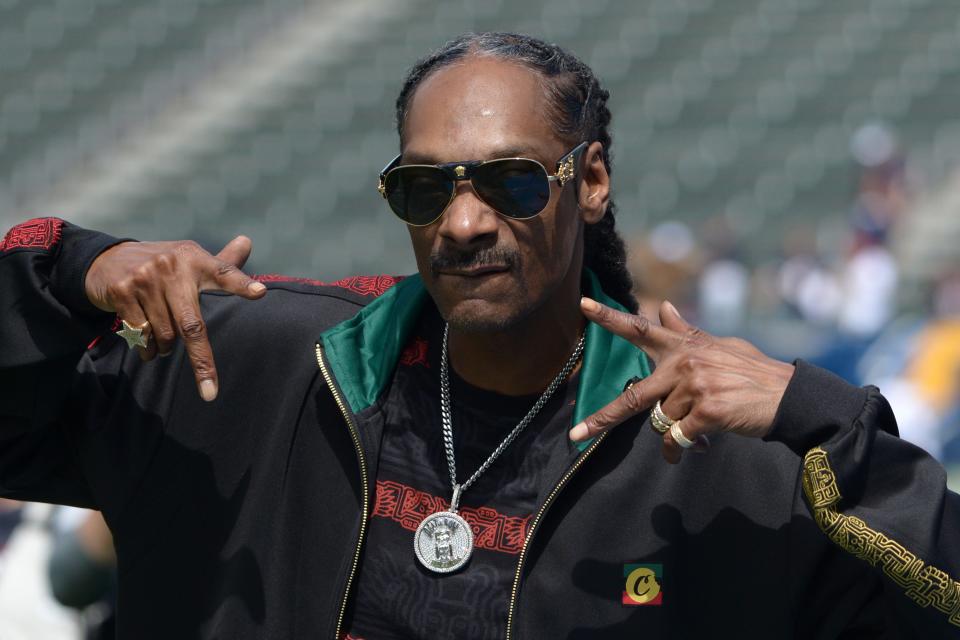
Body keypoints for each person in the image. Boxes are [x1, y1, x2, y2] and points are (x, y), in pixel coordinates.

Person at [0, 32, 958, 639]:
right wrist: (73, 273)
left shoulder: (728, 460)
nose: (463, 224)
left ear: (590, 183)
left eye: (511, 181)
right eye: (425, 189)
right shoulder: (247, 368)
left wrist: (818, 417)